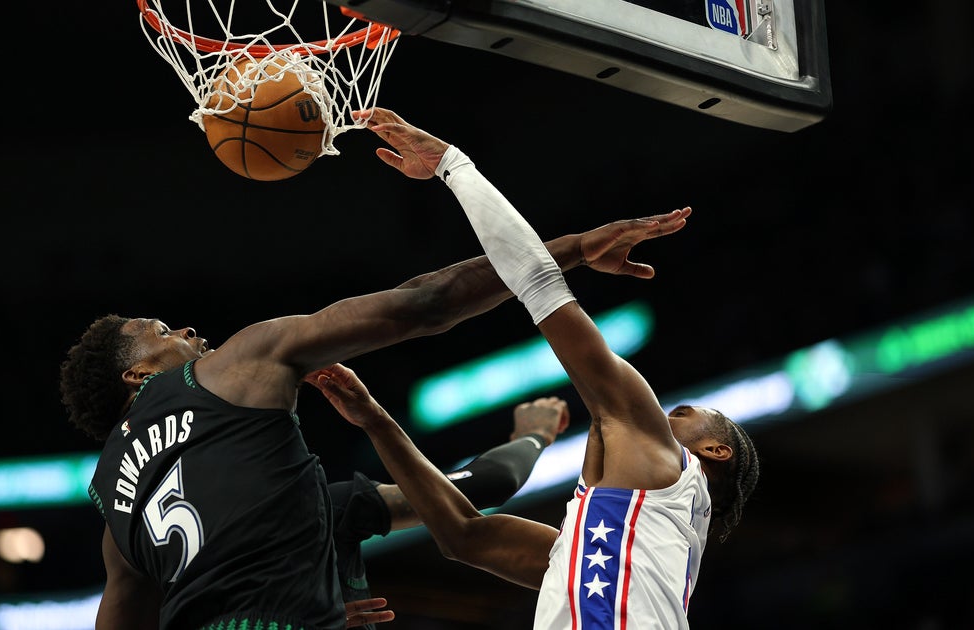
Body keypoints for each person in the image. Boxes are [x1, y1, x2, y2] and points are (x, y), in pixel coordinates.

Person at [58, 185, 687, 629]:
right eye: (162, 330)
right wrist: (569, 251)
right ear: (136, 374)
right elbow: (425, 303)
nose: (187, 331)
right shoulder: (233, 367)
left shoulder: (115, 518)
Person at [306, 107, 761, 628]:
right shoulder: (626, 546)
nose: (661, 412)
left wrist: (452, 165)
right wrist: (375, 420)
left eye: (680, 413)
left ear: (714, 451)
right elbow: (463, 535)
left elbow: (538, 281)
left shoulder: (664, 463)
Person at [329, 396, 569, 628]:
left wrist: (376, 421)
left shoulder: (323, 511)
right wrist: (374, 420)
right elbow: (478, 502)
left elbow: (466, 531)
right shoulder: (586, 567)